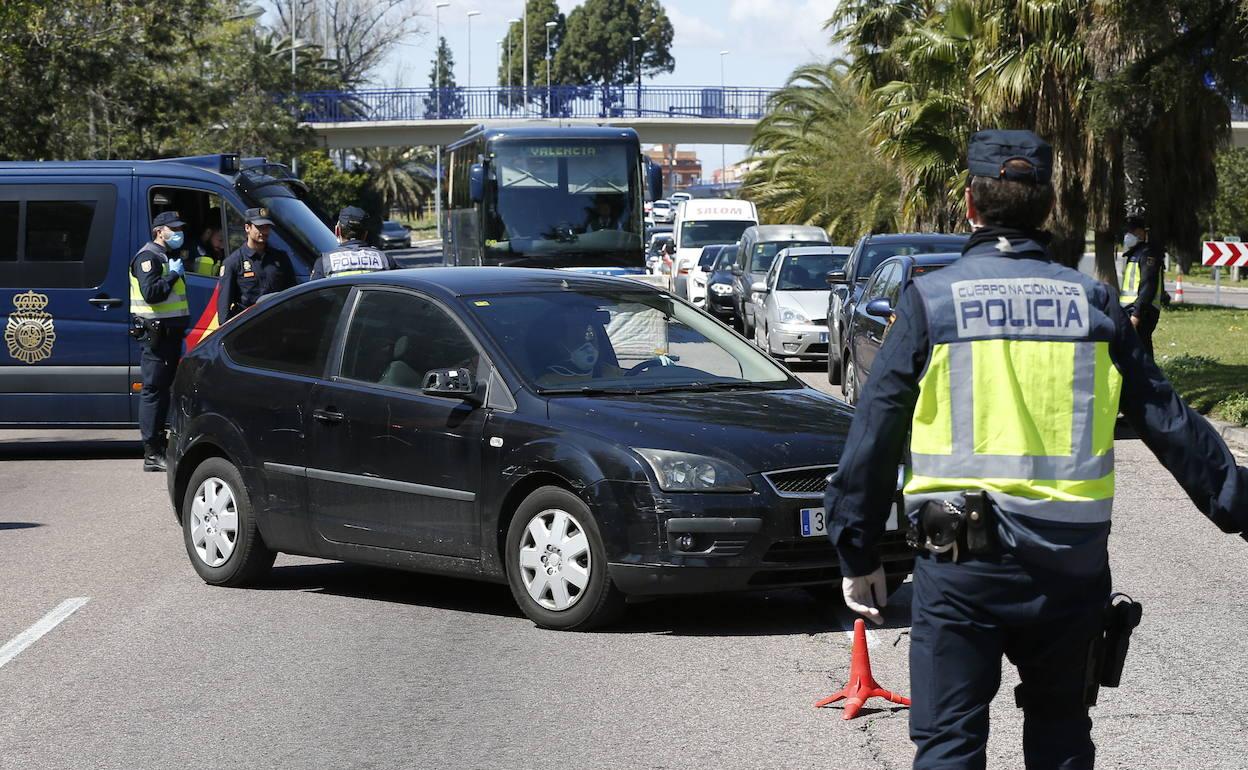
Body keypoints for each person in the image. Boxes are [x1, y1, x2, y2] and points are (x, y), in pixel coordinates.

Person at [824, 129, 1248, 769]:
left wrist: (857, 548)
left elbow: (874, 433)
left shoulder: (930, 303)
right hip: (1069, 570)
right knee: (1059, 739)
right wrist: (1241, 507)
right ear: (1048, 209)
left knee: (948, 747)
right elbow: (1168, 421)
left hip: (960, 569)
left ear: (970, 204)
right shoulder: (1095, 305)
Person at [130, 210, 190, 472]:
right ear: (159, 231)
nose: (177, 232)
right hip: (156, 335)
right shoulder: (148, 257)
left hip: (169, 334)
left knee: (163, 391)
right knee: (153, 391)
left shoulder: (165, 257)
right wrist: (173, 275)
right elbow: (151, 293)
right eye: (172, 228)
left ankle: (160, 445)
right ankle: (152, 453)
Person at [217, 207, 295, 324]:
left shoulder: (280, 258)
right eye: (259, 227)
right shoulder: (233, 262)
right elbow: (224, 309)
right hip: (248, 326)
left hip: (277, 324)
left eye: (267, 227)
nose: (264, 231)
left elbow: (292, 294)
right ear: (247, 228)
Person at [310, 206, 398, 279]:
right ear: (365, 234)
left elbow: (314, 295)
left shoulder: (324, 263)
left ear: (337, 231)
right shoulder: (385, 260)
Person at [1119, 215, 1163, 364]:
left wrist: (1136, 314)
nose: (1127, 235)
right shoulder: (1135, 253)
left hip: (1142, 312)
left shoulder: (1148, 254)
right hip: (1130, 310)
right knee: (1133, 355)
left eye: (1131, 232)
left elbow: (1148, 285)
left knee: (1142, 355)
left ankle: (1151, 384)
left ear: (1141, 233)